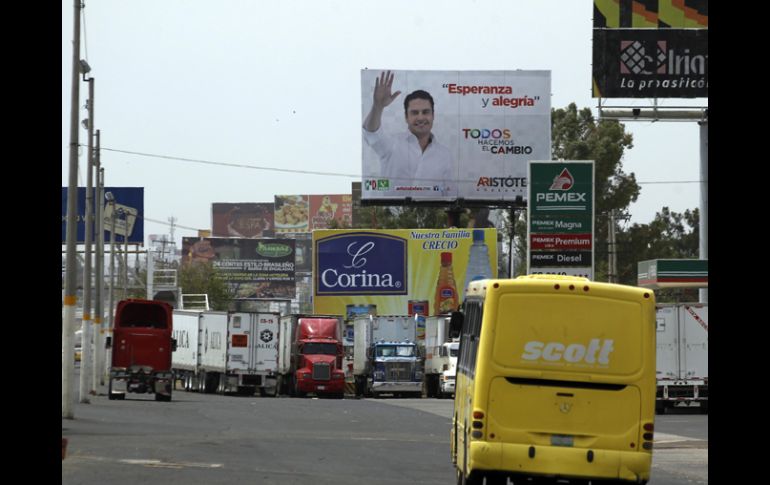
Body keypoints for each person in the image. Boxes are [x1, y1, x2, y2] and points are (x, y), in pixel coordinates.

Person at [363, 70, 455, 195]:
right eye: (415, 113)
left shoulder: (444, 154)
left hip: (432, 214)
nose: (421, 118)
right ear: (406, 117)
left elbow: (449, 193)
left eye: (426, 112)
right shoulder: (393, 144)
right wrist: (378, 106)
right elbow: (371, 133)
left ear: (433, 115)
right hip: (394, 214)